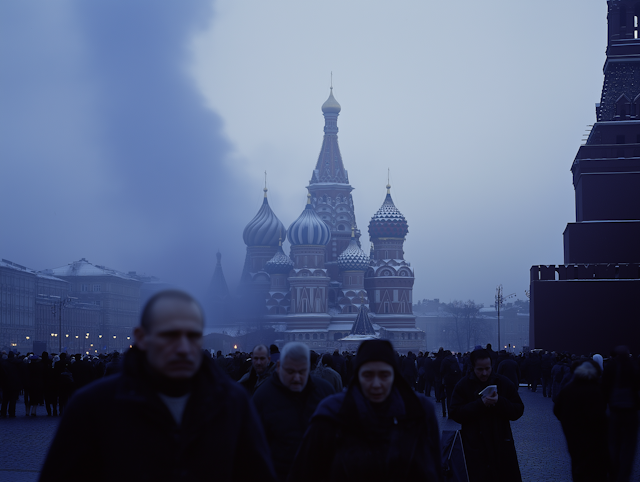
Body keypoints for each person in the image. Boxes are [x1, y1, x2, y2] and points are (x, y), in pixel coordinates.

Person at [40, 290, 276, 482]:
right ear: (141, 337)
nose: (183, 348)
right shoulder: (92, 407)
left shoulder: (232, 403)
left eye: (193, 336)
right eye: (169, 335)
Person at [289, 339, 443, 482]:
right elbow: (305, 472)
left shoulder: (418, 410)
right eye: (368, 375)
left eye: (384, 375)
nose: (376, 384)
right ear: (357, 376)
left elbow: (434, 469)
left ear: (395, 376)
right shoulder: (331, 413)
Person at [252, 342, 335, 481]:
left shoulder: (325, 392)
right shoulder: (262, 397)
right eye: (290, 372)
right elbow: (253, 449)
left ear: (309, 368)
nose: (297, 378)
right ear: (279, 367)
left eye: (302, 372)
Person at [449, 348, 524, 482]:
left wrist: (500, 402)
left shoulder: (504, 383)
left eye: (487, 368)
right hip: (474, 448)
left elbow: (518, 410)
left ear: (491, 366)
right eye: (480, 369)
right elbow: (455, 413)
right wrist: (480, 404)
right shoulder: (463, 385)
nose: (484, 373)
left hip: (501, 445)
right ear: (473, 367)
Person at [554, 359, 609, 482]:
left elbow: (557, 409)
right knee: (594, 466)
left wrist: (566, 421)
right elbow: (599, 417)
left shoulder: (568, 388)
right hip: (593, 437)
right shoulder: (595, 390)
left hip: (572, 434)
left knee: (576, 462)